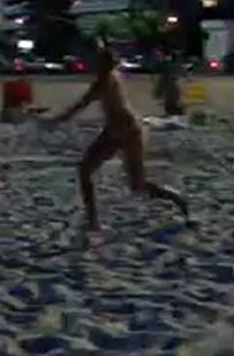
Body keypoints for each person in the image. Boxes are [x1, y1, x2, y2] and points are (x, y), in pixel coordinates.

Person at [45, 44, 188, 244]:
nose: (91, 63)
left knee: (137, 184)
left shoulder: (105, 81)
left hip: (130, 132)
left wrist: (54, 120)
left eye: (95, 60)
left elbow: (80, 105)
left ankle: (176, 197)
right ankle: (93, 222)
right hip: (113, 132)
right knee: (86, 171)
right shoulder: (112, 75)